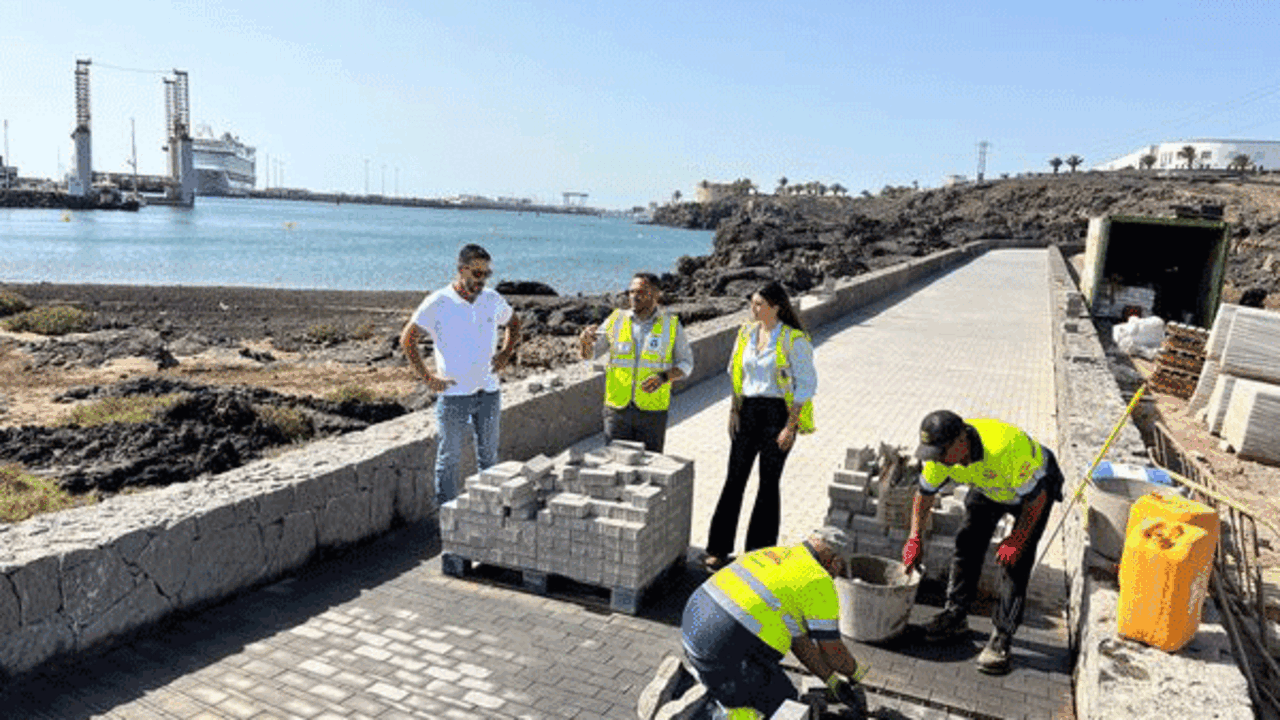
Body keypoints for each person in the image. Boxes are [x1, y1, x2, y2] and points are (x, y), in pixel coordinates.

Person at [900, 410, 1065, 675]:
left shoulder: (1005, 448)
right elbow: (924, 495)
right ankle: (955, 616)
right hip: (990, 486)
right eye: (933, 455)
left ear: (960, 440)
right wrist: (914, 537)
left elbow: (1036, 499)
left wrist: (1017, 538)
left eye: (941, 453)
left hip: (1031, 490)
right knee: (967, 544)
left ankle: (1002, 636)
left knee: (1017, 561)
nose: (938, 461)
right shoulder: (940, 458)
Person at [678, 528, 867, 719]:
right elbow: (834, 653)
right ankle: (721, 713)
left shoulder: (775, 554)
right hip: (724, 647)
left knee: (774, 691)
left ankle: (714, 688)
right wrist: (857, 674)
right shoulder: (819, 579)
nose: (838, 574)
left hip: (693, 632)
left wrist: (832, 681)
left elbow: (801, 643)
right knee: (783, 707)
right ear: (835, 562)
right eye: (841, 569)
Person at [704, 282, 816, 571]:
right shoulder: (745, 333)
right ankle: (718, 548)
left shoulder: (795, 339)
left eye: (759, 305)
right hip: (748, 411)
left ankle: (757, 555)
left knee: (768, 484)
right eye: (752, 303)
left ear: (776, 307)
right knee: (734, 479)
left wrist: (790, 427)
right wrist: (734, 409)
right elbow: (735, 372)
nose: (753, 310)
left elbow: (806, 385)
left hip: (778, 414)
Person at [400, 243, 522, 506]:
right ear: (461, 270)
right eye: (477, 274)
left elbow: (513, 322)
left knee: (489, 457)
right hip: (454, 394)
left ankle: (488, 510)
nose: (482, 281)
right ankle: (446, 515)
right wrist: (428, 378)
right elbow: (407, 339)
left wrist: (505, 353)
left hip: (489, 391)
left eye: (486, 274)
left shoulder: (491, 299)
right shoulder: (438, 301)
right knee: (449, 459)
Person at [578, 272, 693, 453]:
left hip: (652, 412)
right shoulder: (616, 319)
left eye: (640, 292)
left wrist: (663, 377)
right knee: (614, 467)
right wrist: (584, 342)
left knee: (650, 467)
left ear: (656, 295)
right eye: (631, 292)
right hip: (617, 410)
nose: (633, 297)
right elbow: (589, 355)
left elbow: (686, 364)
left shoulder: (671, 325)